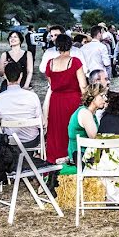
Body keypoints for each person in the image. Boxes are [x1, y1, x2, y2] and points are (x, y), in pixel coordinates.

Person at [44, 34, 87, 163]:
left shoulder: (50, 63)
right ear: (71, 45)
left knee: (56, 131)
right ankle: (71, 158)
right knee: (71, 130)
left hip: (56, 100)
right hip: (73, 99)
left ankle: (55, 159)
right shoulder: (75, 61)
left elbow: (52, 85)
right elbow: (83, 85)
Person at [66, 83, 109, 164]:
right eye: (102, 96)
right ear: (93, 98)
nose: (105, 99)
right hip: (80, 156)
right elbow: (94, 137)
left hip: (85, 153)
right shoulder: (85, 113)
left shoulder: (91, 113)